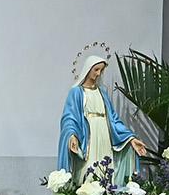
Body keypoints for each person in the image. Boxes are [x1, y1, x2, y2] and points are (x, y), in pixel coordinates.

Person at [59, 51, 147, 185]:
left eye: (101, 70)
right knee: (88, 171)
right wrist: (72, 136)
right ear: (88, 69)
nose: (98, 73)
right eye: (96, 69)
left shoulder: (102, 92)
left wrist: (131, 139)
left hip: (104, 134)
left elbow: (113, 119)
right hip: (88, 136)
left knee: (105, 169)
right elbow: (69, 117)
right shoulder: (76, 92)